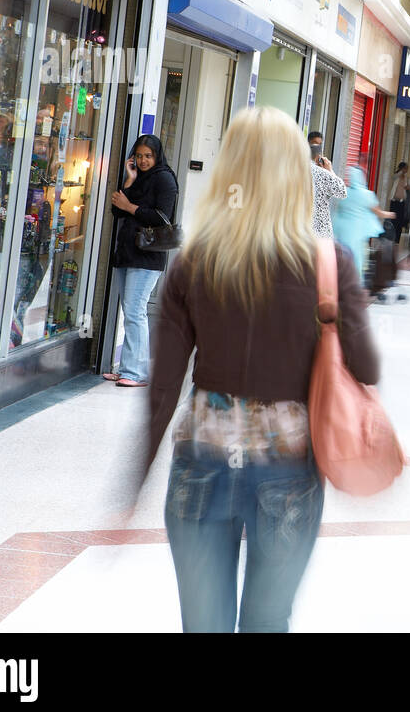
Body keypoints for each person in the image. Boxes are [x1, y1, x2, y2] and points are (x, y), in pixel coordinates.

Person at [138, 106, 379, 632]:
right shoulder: (328, 263)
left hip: (202, 460)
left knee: (204, 624)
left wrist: (135, 479)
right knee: (268, 621)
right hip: (289, 468)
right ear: (297, 176)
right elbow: (367, 366)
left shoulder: (195, 260)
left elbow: (164, 384)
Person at [105, 135, 178, 388]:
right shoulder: (139, 178)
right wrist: (130, 180)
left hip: (148, 256)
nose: (143, 160)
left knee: (136, 312)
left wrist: (131, 207)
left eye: (148, 155)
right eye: (139, 155)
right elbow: (116, 209)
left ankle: (136, 373)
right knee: (130, 313)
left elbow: (162, 218)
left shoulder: (165, 178)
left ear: (157, 156)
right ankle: (127, 369)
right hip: (127, 252)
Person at [332, 165, 394, 285]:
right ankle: (354, 283)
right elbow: (379, 213)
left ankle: (338, 280)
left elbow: (339, 210)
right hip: (357, 232)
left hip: (341, 230)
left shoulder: (344, 191)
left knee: (340, 255)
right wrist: (391, 215)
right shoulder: (367, 195)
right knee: (357, 257)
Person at [310, 148, 346, 240]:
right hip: (320, 233)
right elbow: (342, 192)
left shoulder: (293, 171)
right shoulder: (324, 175)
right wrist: (330, 170)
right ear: (319, 158)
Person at [389, 162, 410, 244]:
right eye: (405, 168)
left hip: (402, 202)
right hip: (394, 201)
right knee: (393, 220)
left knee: (400, 221)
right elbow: (395, 176)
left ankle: (397, 239)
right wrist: (400, 171)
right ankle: (392, 237)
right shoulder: (396, 176)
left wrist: (408, 187)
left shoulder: (407, 178)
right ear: (401, 168)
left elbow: (409, 187)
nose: (406, 170)